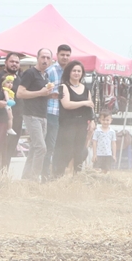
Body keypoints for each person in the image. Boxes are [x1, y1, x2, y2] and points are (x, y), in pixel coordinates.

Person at [14, 49, 53, 181]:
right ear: (37, 58)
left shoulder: (45, 75)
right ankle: (34, 179)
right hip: (31, 114)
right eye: (43, 57)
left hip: (42, 115)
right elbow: (19, 93)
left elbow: (41, 93)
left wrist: (51, 95)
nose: (45, 60)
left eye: (48, 58)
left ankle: (26, 179)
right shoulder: (30, 73)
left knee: (34, 149)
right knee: (41, 148)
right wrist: (40, 93)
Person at [53, 59, 94, 178]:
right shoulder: (63, 87)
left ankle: (77, 174)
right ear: (69, 72)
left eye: (79, 71)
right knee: (66, 150)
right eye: (74, 70)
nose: (76, 73)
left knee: (79, 150)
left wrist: (92, 121)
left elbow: (90, 106)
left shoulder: (86, 89)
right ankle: (60, 174)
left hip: (81, 124)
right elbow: (66, 104)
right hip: (67, 124)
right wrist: (84, 102)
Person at [44, 44, 72, 175]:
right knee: (50, 145)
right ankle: (44, 174)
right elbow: (42, 92)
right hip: (52, 112)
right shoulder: (50, 71)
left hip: (66, 114)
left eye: (67, 55)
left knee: (62, 145)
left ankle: (57, 173)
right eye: (62, 55)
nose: (65, 57)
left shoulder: (72, 72)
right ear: (57, 55)